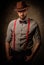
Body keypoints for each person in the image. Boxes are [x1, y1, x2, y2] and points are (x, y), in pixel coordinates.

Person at [5, 0, 41, 65]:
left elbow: (38, 41)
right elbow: (7, 41)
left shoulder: (34, 24)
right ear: (17, 12)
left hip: (26, 55)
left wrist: (31, 56)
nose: (21, 13)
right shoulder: (11, 23)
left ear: (27, 10)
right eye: (19, 11)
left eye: (23, 10)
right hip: (13, 54)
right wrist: (8, 56)